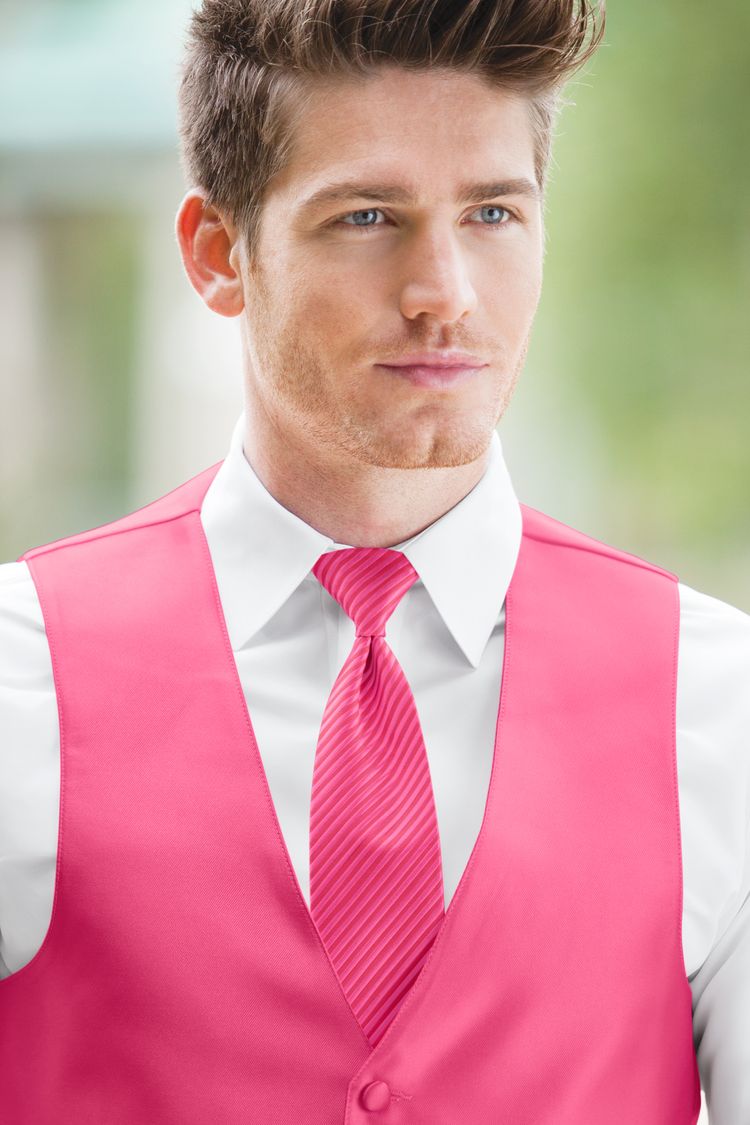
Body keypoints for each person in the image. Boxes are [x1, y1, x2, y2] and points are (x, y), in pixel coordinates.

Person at [0, 0, 747, 1120]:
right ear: (217, 254)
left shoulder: (719, 699)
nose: (445, 291)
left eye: (493, 212)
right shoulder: (20, 686)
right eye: (365, 217)